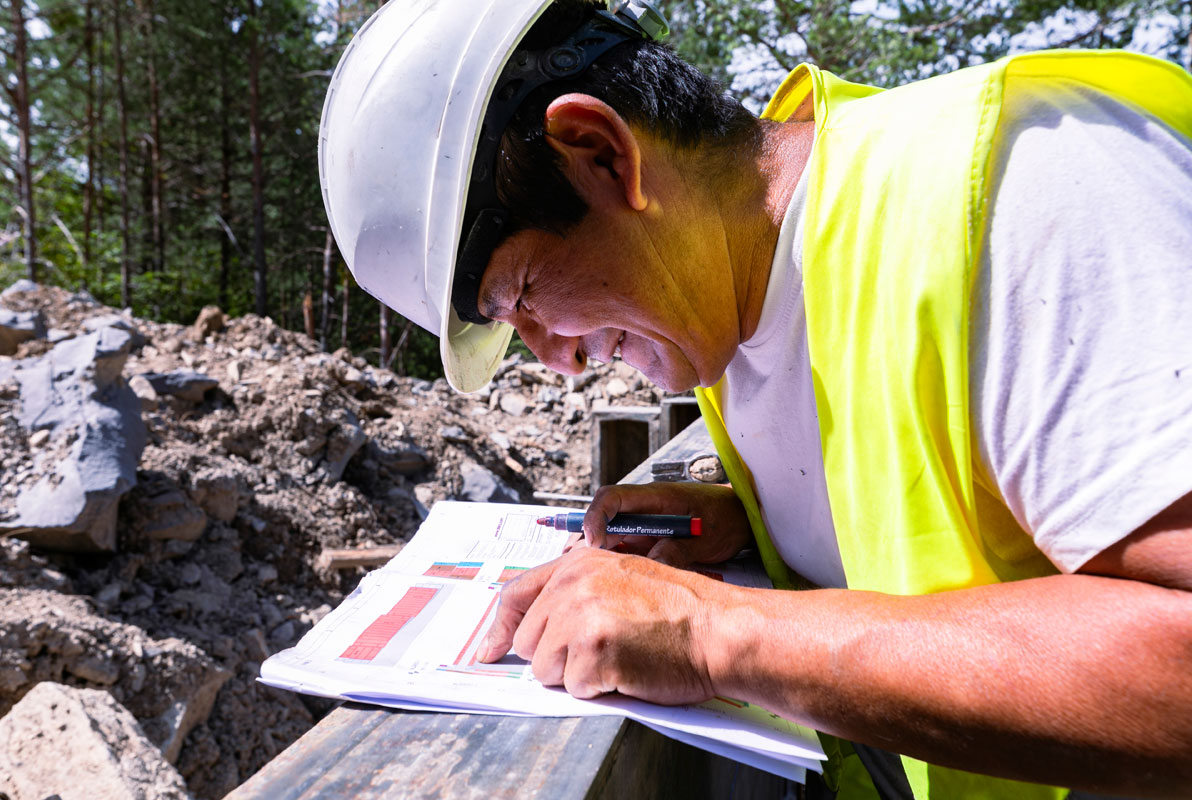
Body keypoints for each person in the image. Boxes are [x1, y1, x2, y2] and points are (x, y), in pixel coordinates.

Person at [318, 0, 1192, 796]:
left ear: (599, 153)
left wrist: (715, 632)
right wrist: (764, 523)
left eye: (523, 298)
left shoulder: (1036, 186)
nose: (559, 364)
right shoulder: (736, 316)